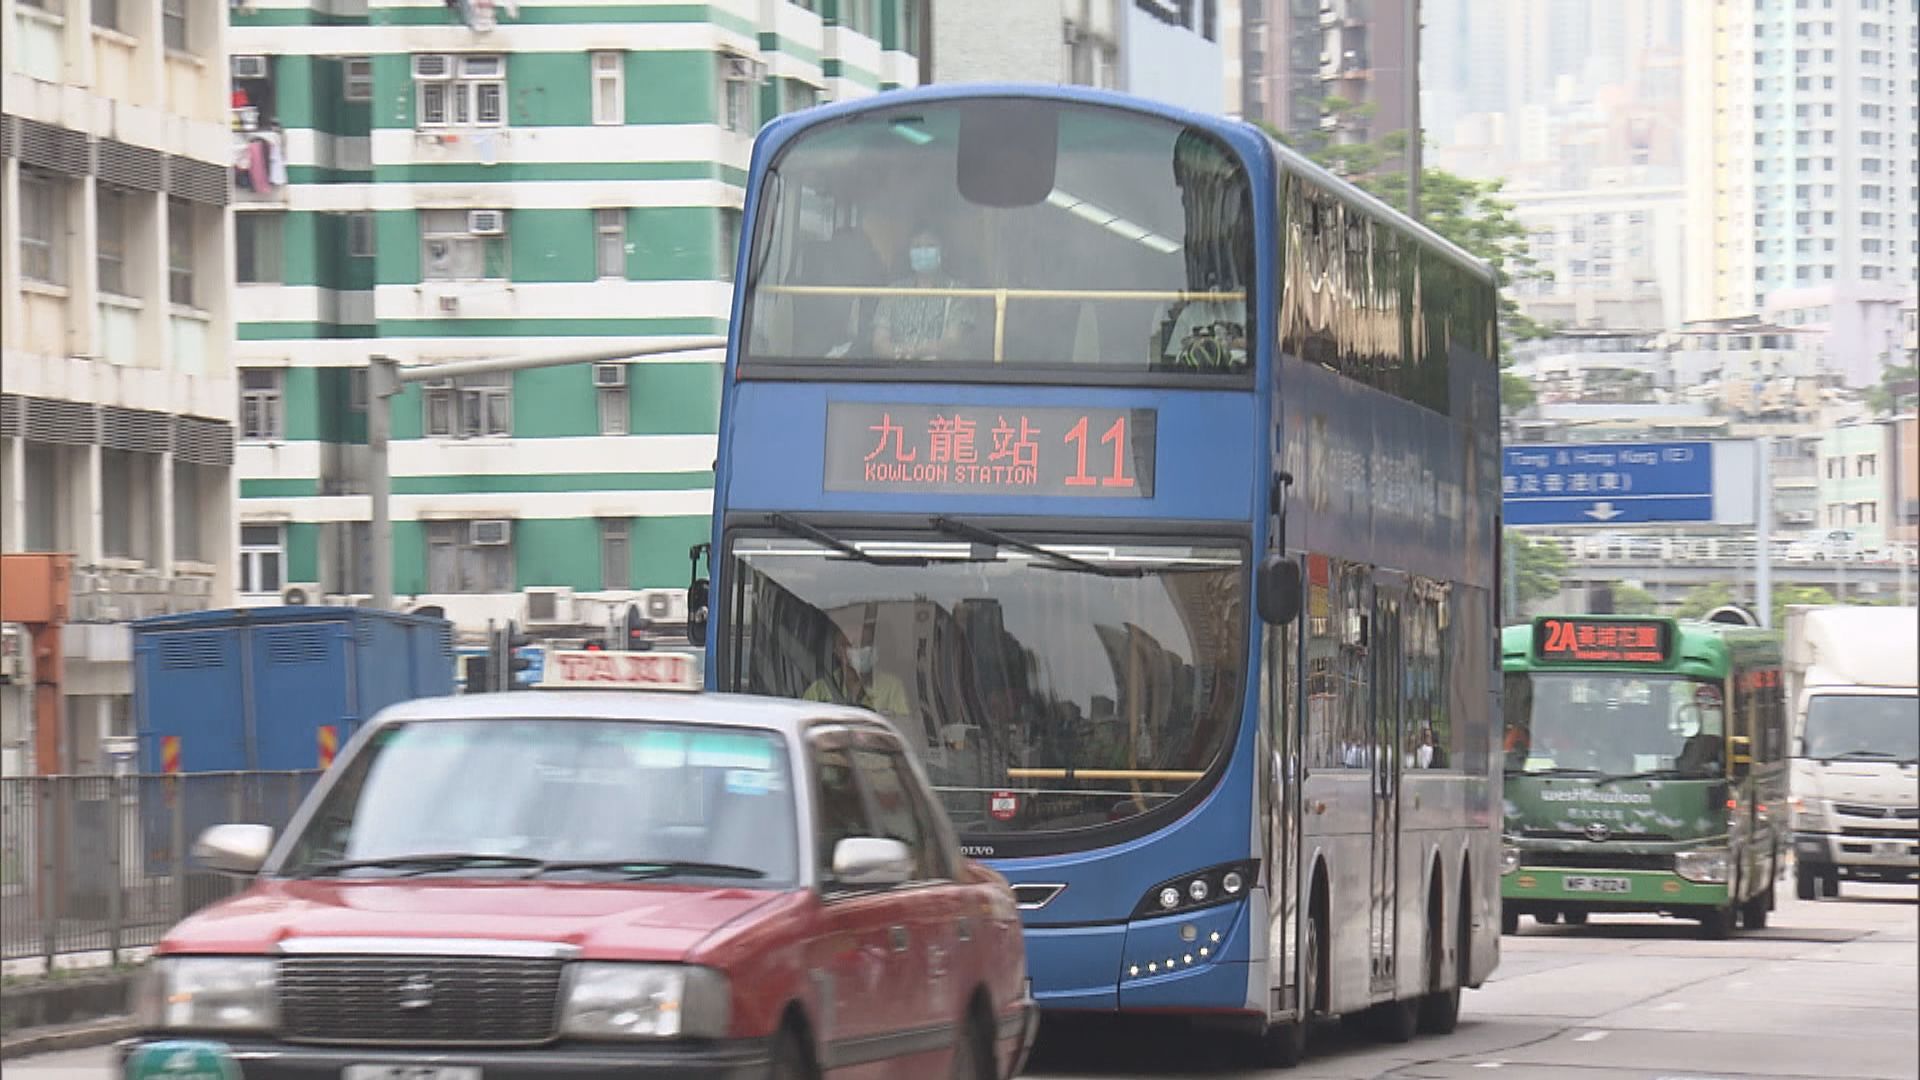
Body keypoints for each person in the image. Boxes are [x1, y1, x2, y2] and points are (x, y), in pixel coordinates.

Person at [870, 226, 981, 360]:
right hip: (897, 372)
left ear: (944, 251)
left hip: (939, 374)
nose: (923, 252)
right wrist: (900, 352)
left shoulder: (958, 292)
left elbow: (953, 341)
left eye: (930, 246)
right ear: (909, 253)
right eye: (917, 246)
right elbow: (879, 342)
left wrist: (916, 352)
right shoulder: (894, 291)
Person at [804, 628, 910, 722]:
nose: (864, 649)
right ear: (838, 651)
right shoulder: (819, 690)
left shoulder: (892, 686)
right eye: (853, 645)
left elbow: (904, 728)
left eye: (867, 643)